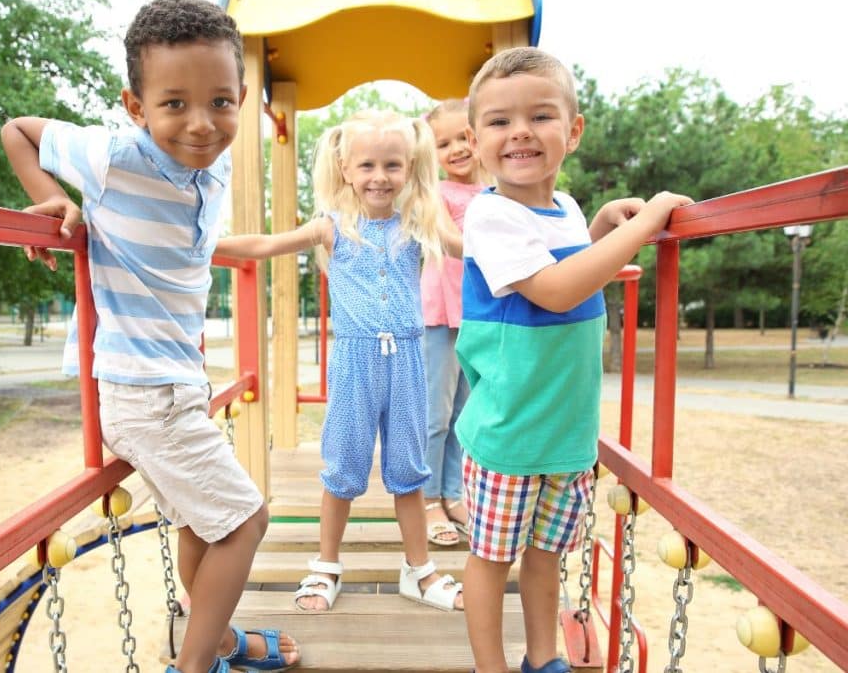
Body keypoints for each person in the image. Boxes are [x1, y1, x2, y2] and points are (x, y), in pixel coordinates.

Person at [0, 0, 299, 673]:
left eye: (221, 102)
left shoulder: (214, 161)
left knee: (205, 520)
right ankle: (195, 663)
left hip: (177, 383)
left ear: (243, 98)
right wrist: (52, 195)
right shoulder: (112, 155)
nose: (201, 124)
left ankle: (216, 639)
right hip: (143, 389)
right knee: (246, 521)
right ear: (135, 105)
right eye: (174, 105)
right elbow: (18, 129)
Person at [457, 46, 692, 673]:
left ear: (574, 131)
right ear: (476, 140)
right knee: (491, 557)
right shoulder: (490, 213)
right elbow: (556, 290)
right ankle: (491, 666)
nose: (520, 133)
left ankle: (542, 655)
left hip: (565, 430)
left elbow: (564, 269)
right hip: (511, 429)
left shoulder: (562, 207)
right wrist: (641, 226)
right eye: (499, 122)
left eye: (541, 116)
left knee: (545, 553)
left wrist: (598, 228)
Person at [215, 109, 466, 613]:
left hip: (408, 362)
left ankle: (419, 571)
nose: (380, 177)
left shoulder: (416, 223)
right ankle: (326, 565)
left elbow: (470, 249)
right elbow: (265, 245)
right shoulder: (333, 227)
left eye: (392, 165)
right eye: (367, 165)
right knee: (344, 468)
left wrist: (546, 252)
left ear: (410, 166)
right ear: (345, 168)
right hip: (355, 362)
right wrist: (202, 247)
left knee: (410, 470)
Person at [420, 99, 484, 547]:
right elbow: (446, 238)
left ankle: (453, 491)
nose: (458, 148)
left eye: (465, 136)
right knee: (436, 413)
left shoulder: (496, 193)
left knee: (466, 411)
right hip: (441, 312)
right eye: (445, 143)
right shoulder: (436, 194)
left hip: (478, 312)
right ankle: (427, 499)